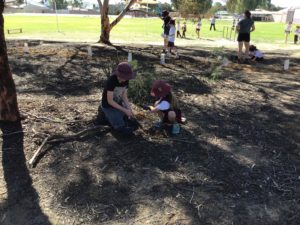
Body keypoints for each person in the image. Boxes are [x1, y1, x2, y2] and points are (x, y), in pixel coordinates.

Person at [99, 62, 136, 136]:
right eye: (123, 77)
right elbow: (110, 101)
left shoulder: (126, 80)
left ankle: (111, 117)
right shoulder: (111, 80)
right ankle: (103, 112)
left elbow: (124, 96)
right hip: (108, 106)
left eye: (127, 77)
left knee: (128, 119)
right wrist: (125, 110)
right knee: (120, 125)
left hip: (118, 104)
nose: (125, 80)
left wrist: (129, 109)